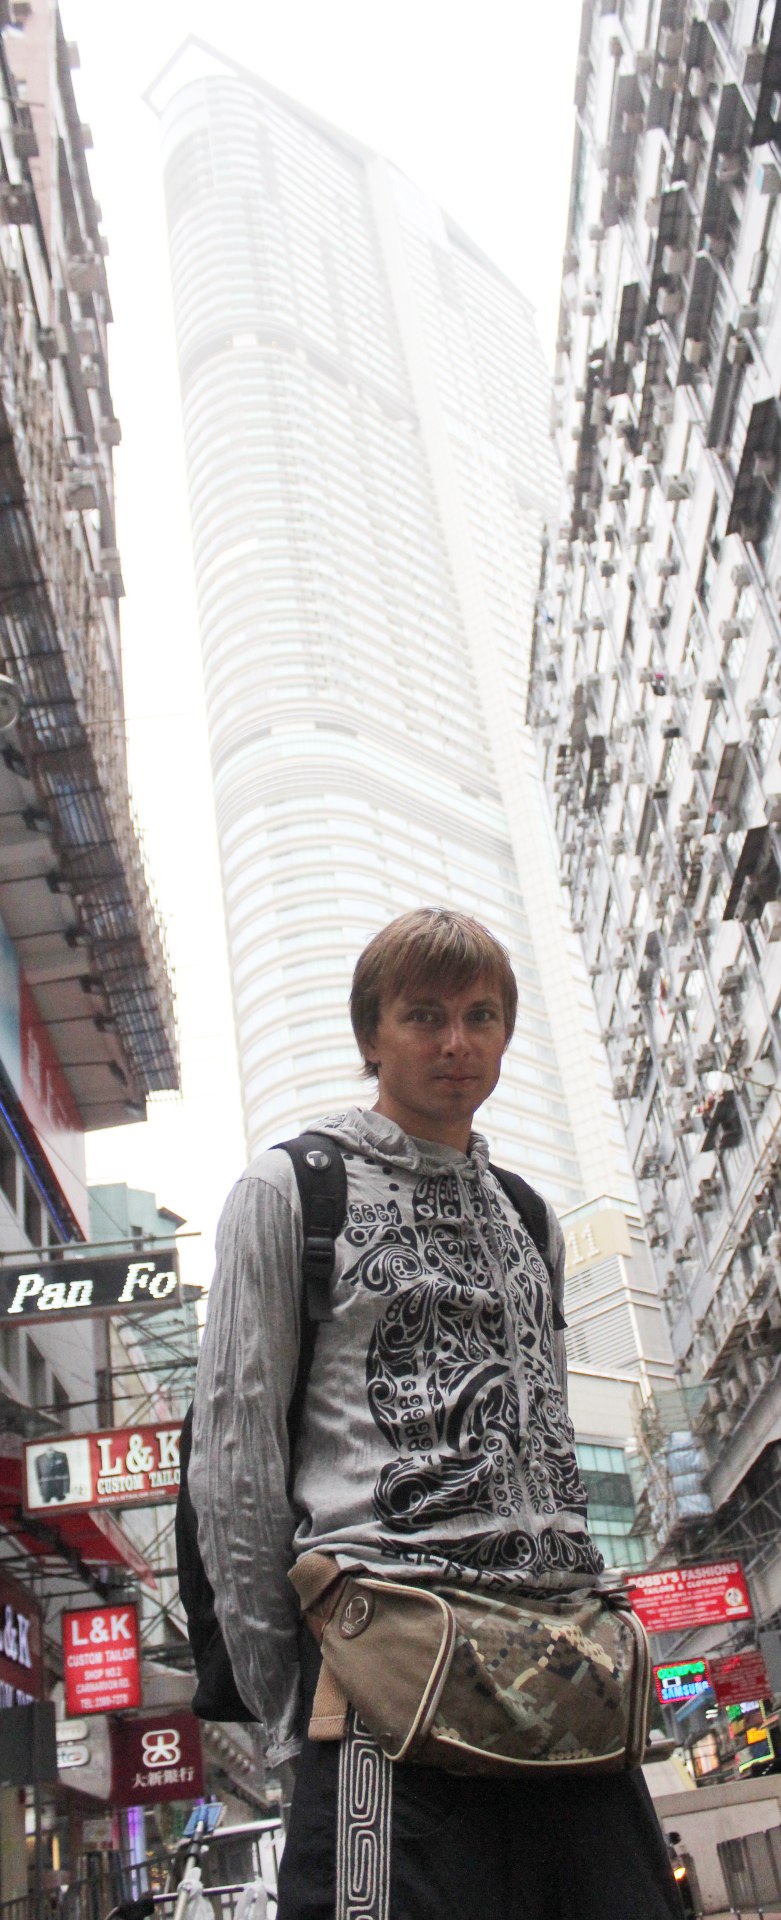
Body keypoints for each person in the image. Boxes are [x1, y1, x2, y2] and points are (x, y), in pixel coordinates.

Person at [189, 908, 683, 1920]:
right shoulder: (292, 1191)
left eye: (480, 1016)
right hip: (385, 1681)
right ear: (370, 1035)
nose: (456, 1042)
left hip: (565, 1676)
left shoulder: (528, 1216)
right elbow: (232, 1471)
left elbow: (544, 1434)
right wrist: (290, 1708)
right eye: (423, 1016)